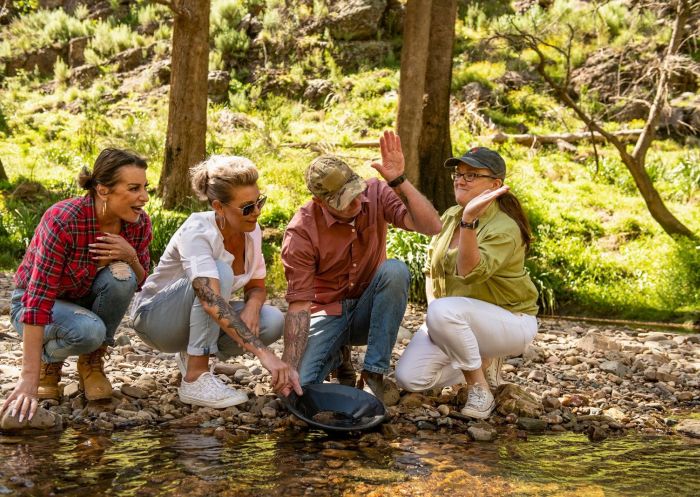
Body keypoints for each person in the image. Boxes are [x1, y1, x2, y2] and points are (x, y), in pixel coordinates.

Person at [280, 130, 442, 402]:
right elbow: (299, 306)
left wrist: (399, 181)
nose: (357, 203)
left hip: (369, 311)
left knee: (395, 270)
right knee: (301, 390)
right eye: (344, 202)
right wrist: (288, 365)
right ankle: (337, 356)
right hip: (328, 314)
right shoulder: (301, 231)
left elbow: (432, 226)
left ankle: (373, 374)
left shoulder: (376, 192)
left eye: (356, 193)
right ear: (320, 203)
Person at [131, 155, 302, 408]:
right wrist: (265, 355)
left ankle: (192, 354)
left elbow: (256, 285)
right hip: (155, 321)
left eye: (259, 202)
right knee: (220, 272)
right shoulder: (198, 231)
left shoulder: (250, 228)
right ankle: (195, 377)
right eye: (247, 207)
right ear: (218, 207)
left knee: (273, 320)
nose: (256, 212)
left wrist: (253, 308)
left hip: (195, 314)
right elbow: (209, 298)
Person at [1, 148, 152, 423]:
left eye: (145, 187)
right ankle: (49, 364)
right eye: (134, 188)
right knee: (89, 331)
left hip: (82, 303)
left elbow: (139, 283)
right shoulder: (63, 220)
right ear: (103, 191)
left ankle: (91, 364)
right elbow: (37, 299)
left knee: (123, 276)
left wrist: (129, 255)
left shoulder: (138, 223)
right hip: (32, 306)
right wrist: (28, 379)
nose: (144, 197)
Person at [395, 147, 539, 419]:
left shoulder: (504, 227)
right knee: (410, 379)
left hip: (511, 322)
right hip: (458, 318)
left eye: (471, 175)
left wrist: (470, 221)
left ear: (495, 185)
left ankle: (479, 388)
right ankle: (481, 360)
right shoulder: (451, 216)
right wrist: (437, 325)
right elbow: (432, 272)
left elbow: (469, 271)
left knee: (443, 311)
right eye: (458, 174)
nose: (460, 180)